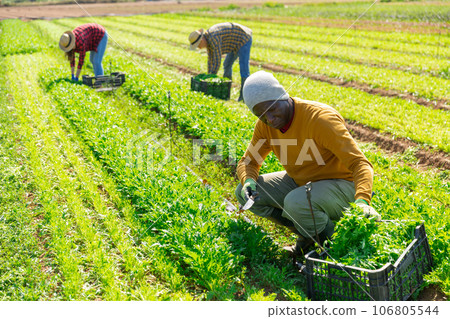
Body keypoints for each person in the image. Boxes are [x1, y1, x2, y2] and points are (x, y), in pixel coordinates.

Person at [235, 70, 381, 255]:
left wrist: (362, 201)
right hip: (303, 183)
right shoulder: (265, 126)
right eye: (262, 115)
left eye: (272, 110)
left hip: (344, 186)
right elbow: (248, 162)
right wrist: (248, 181)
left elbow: (360, 164)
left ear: (283, 96)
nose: (269, 119)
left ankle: (340, 246)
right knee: (244, 193)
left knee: (296, 202)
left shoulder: (320, 119)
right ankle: (308, 235)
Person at [188, 22, 252, 101]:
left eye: (198, 46)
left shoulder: (213, 38)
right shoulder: (208, 40)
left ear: (201, 41)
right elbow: (211, 59)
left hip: (243, 38)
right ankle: (226, 90)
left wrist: (211, 77)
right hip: (233, 42)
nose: (199, 48)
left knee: (244, 68)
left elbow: (217, 59)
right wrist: (209, 75)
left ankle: (243, 97)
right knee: (227, 64)